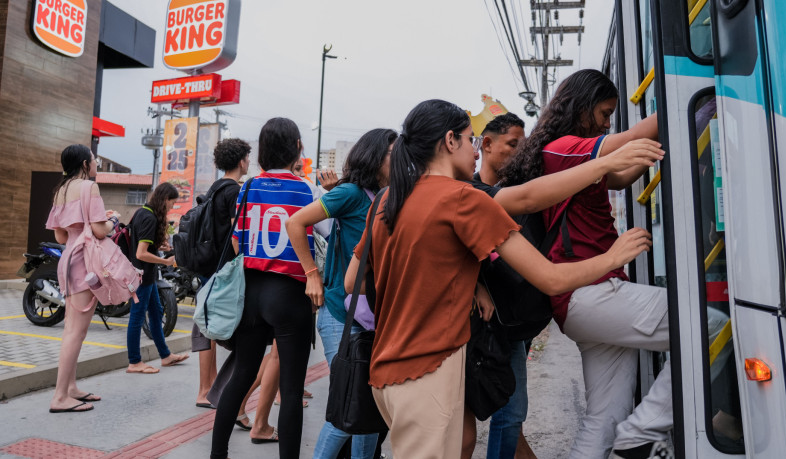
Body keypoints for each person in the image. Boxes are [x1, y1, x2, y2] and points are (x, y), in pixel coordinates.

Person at [343, 99, 652, 458]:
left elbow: (353, 283)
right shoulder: (462, 199)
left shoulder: (386, 199)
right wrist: (612, 257)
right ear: (450, 141)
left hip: (385, 372)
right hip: (427, 372)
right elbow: (551, 278)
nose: (476, 151)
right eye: (470, 139)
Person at [462, 113, 664, 458]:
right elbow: (528, 210)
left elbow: (614, 179)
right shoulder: (476, 195)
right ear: (486, 144)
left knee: (513, 416)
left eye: (523, 144)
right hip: (490, 322)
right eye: (512, 144)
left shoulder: (527, 178)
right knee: (482, 424)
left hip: (520, 316)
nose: (519, 151)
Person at [210, 117, 322, 459]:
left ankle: (218, 455)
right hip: (290, 293)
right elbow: (326, 233)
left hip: (251, 292)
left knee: (241, 376)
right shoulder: (307, 190)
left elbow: (238, 241)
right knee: (291, 390)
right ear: (298, 147)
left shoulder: (247, 188)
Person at [287, 128, 397, 459]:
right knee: (350, 406)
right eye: (394, 154)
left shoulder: (385, 197)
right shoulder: (350, 193)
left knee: (368, 410)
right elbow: (295, 222)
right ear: (375, 157)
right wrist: (311, 275)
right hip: (341, 314)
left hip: (373, 315)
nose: (401, 161)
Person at [46, 145, 119, 412]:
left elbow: (60, 236)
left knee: (73, 328)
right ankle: (60, 397)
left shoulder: (61, 190)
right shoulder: (89, 187)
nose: (96, 163)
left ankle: (71, 388)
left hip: (68, 259)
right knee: (76, 332)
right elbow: (100, 231)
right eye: (94, 160)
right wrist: (113, 221)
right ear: (85, 164)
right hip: (85, 261)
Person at [192, 138, 250, 409]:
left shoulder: (215, 188)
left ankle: (207, 387)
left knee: (207, 326)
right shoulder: (234, 191)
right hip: (225, 268)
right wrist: (243, 262)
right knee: (221, 328)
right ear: (241, 161)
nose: (248, 162)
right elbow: (237, 233)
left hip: (208, 265)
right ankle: (209, 390)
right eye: (247, 158)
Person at [126, 182, 189, 374]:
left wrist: (157, 247)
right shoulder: (149, 218)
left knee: (156, 312)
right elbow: (141, 253)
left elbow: (140, 243)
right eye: (172, 203)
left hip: (147, 276)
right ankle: (134, 362)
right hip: (142, 276)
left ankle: (166, 355)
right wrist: (165, 261)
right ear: (165, 199)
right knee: (137, 317)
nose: (172, 207)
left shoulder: (142, 212)